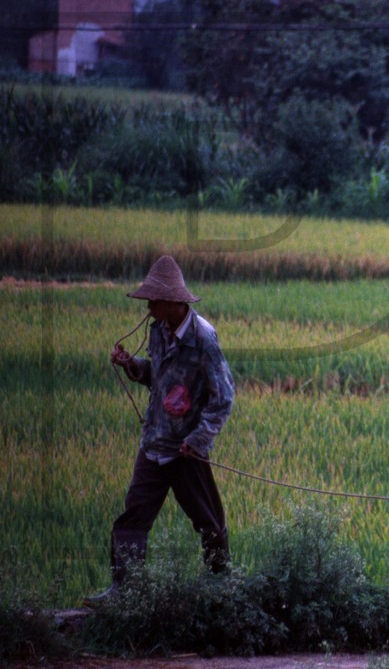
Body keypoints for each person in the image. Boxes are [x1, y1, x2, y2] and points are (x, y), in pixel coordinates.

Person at [86, 255, 235, 604]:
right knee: (132, 519)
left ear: (172, 301)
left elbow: (224, 397)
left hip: (186, 450)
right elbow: (160, 377)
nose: (148, 306)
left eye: (153, 300)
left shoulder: (203, 338)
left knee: (209, 522)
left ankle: (222, 590)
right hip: (154, 444)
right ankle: (123, 592)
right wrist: (132, 365)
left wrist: (198, 439)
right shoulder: (158, 331)